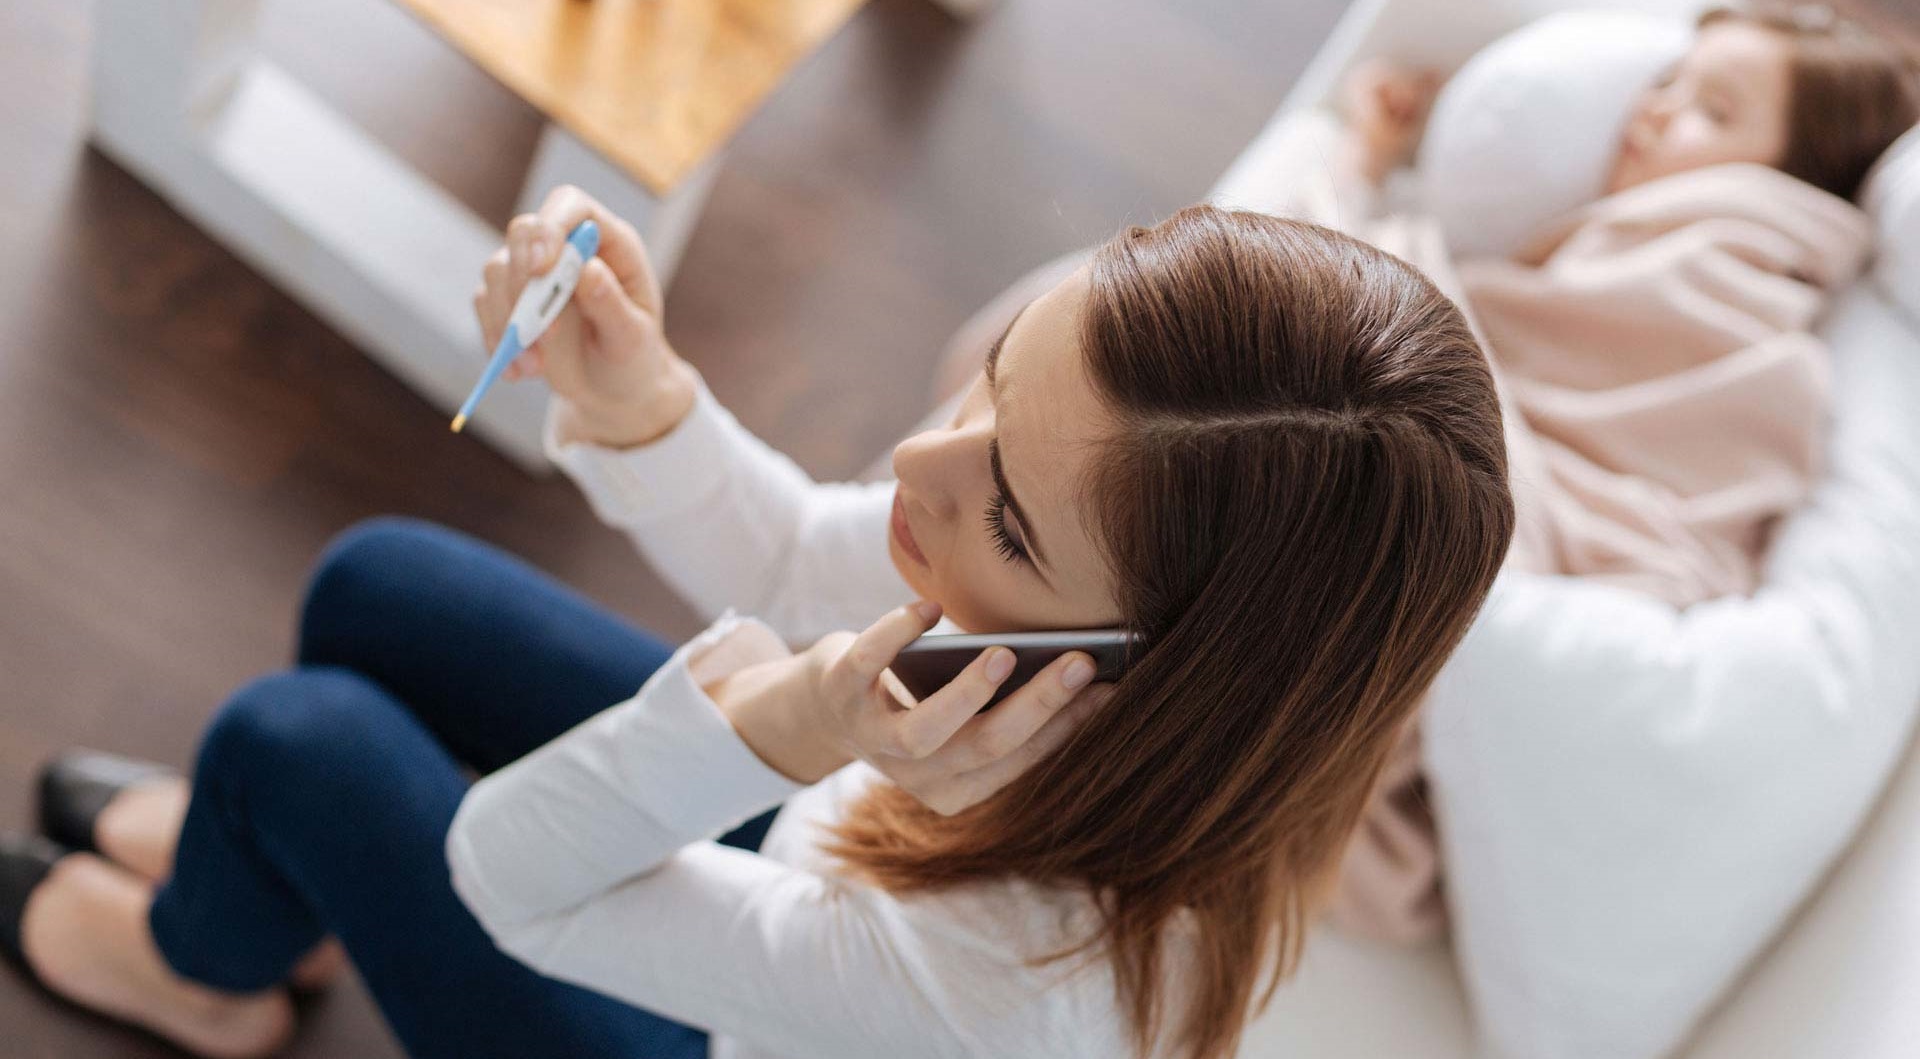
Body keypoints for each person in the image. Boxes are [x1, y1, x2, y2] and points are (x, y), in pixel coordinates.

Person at [0, 192, 1515, 1059]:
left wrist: (788, 724)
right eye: (1000, 380)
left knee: (293, 739)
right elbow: (802, 544)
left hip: (733, 1019)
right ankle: (263, 893)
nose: (922, 461)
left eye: (1003, 513)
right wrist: (639, 398)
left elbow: (509, 879)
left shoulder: (1010, 980)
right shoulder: (1122, 637)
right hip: (810, 862)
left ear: (1129, 675)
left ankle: (209, 971)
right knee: (375, 581)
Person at [1322, 1, 1920, 943]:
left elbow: (1655, 534)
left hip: (1496, 587)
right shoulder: (1616, 245)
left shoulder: (1738, 303)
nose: (1651, 113)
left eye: (1712, 113)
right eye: (1667, 86)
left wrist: (1357, 179)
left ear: (1792, 184)